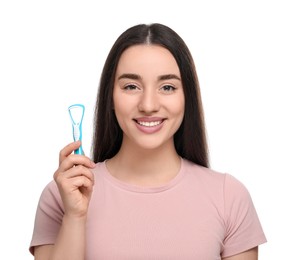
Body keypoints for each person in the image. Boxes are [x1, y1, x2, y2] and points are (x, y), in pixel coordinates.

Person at [29, 23, 267, 259]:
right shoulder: (63, 195)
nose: (149, 105)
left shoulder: (229, 197)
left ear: (187, 97)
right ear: (110, 96)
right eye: (131, 86)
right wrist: (75, 217)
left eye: (167, 87)